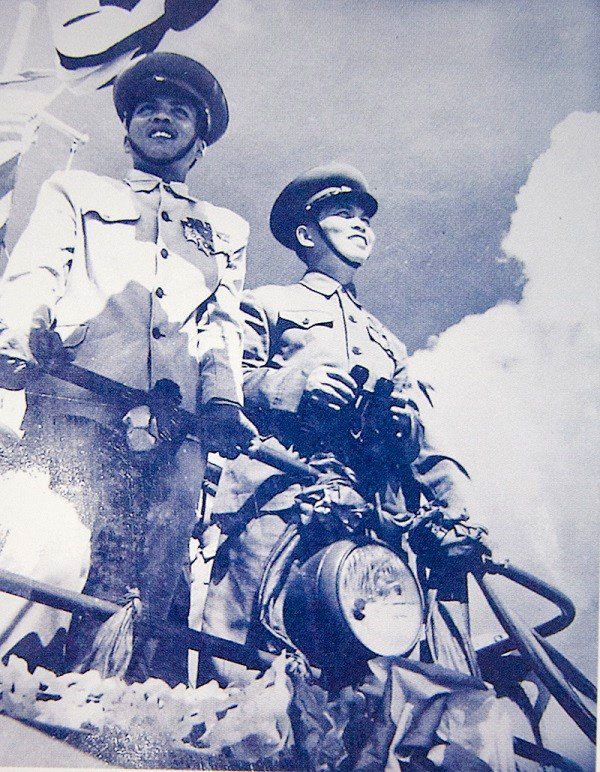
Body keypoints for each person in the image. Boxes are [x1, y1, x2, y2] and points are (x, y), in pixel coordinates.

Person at [0, 52, 256, 683]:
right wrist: (15, 336)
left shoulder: (225, 229)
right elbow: (37, 271)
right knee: (56, 551)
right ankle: (23, 694)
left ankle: (114, 713)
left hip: (176, 432)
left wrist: (224, 401)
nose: (161, 116)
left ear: (200, 140)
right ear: (126, 130)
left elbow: (222, 323)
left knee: (151, 580)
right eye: (147, 107)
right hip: (77, 403)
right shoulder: (77, 191)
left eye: (179, 111)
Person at [199, 163, 478, 689]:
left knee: (366, 667)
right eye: (342, 215)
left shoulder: (387, 343)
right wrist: (295, 390)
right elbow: (223, 382)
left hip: (368, 522)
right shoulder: (267, 304)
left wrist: (412, 440)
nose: (360, 225)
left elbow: (427, 445)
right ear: (306, 235)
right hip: (278, 507)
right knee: (245, 644)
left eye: (364, 218)